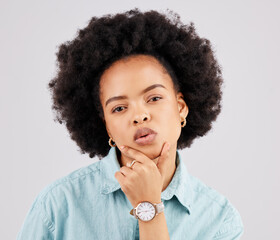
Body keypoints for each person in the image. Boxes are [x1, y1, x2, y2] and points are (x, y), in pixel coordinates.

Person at [17, 8, 244, 240]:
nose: (139, 116)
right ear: (107, 127)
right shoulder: (58, 206)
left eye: (154, 98)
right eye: (119, 108)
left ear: (181, 108)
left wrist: (150, 207)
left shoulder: (219, 222)